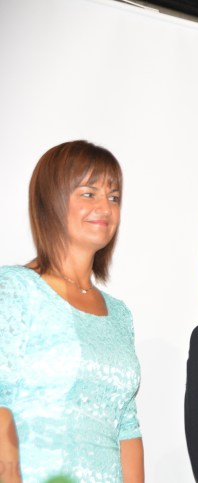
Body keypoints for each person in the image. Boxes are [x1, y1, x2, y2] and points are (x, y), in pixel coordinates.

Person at [0, 140, 144, 482]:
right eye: (88, 193)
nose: (105, 207)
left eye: (114, 197)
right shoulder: (15, 289)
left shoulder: (119, 315)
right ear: (52, 201)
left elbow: (127, 426)